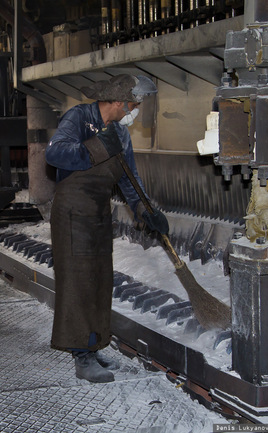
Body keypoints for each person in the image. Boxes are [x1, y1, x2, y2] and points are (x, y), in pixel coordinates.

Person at [45, 74, 169, 383]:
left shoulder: (122, 134)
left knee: (99, 281)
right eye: (133, 104)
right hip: (72, 211)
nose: (135, 110)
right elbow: (55, 153)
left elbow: (129, 179)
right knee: (78, 283)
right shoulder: (79, 117)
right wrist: (95, 148)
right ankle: (81, 357)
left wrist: (146, 210)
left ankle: (93, 344)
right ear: (117, 101)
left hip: (98, 212)